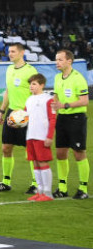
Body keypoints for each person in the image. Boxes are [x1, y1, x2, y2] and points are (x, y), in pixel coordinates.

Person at [0, 42, 38, 193]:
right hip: (11, 113)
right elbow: (8, 91)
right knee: (6, 147)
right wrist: (1, 111)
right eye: (9, 51)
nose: (10, 54)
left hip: (27, 114)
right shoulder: (9, 69)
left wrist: (31, 113)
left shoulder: (30, 71)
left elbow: (36, 93)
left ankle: (35, 183)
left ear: (22, 53)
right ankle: (6, 181)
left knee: (30, 150)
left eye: (13, 51)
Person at [50, 49, 88, 199]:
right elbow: (56, 97)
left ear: (69, 61)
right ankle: (62, 187)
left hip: (76, 118)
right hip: (62, 119)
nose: (57, 62)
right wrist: (55, 106)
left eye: (60, 59)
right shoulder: (57, 78)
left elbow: (84, 100)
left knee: (79, 153)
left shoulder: (78, 78)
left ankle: (83, 188)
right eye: (56, 59)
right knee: (60, 153)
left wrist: (65, 105)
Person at [24, 74, 56, 202]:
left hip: (41, 136)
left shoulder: (48, 99)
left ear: (42, 85)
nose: (31, 86)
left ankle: (48, 193)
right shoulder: (29, 100)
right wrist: (14, 121)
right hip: (30, 135)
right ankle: (40, 191)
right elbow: (25, 117)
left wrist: (49, 136)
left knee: (43, 162)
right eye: (30, 84)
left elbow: (52, 119)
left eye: (34, 84)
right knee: (35, 163)